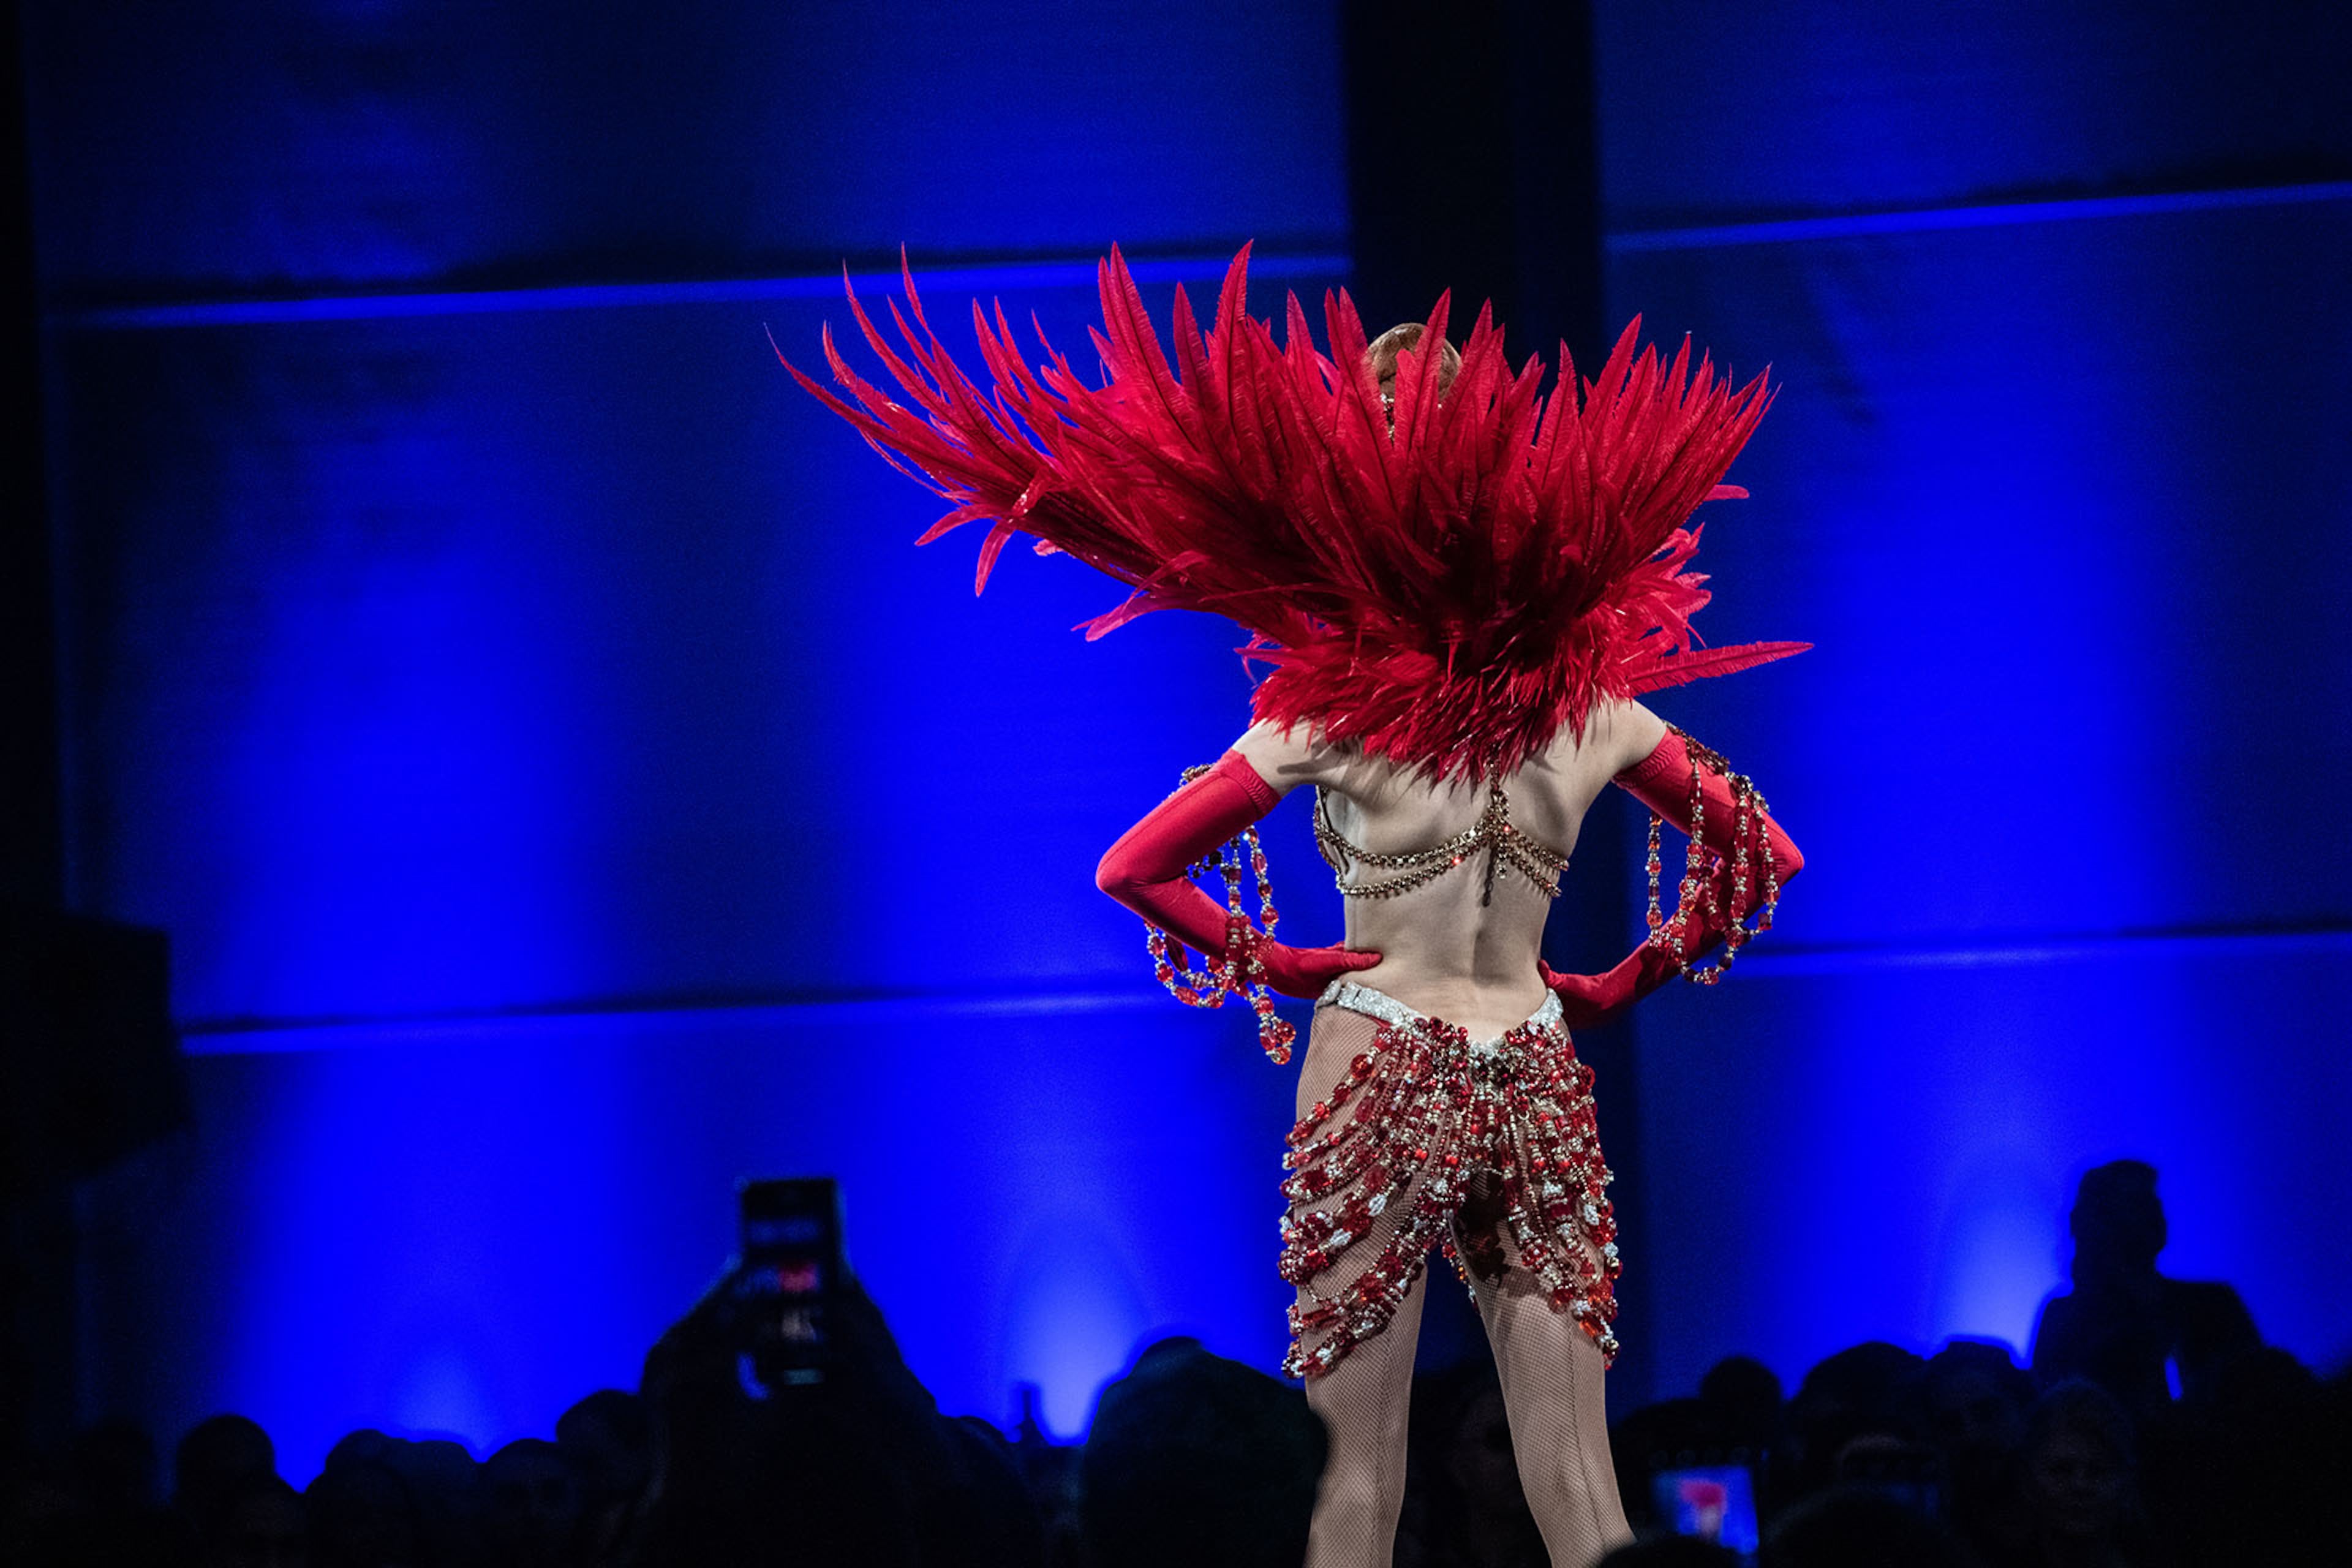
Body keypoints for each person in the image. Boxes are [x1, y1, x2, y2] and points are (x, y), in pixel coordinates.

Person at [789, 244, 1806, 1568]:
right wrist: (1623, 981)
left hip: (1376, 1051)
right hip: (1537, 1071)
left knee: (1351, 1479)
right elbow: (1765, 849)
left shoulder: (1324, 708)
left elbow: (1131, 866)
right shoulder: (1598, 708)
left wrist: (1274, 959)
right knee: (1579, 1477)